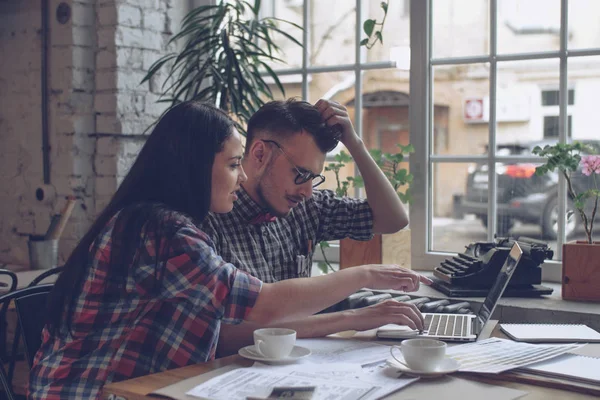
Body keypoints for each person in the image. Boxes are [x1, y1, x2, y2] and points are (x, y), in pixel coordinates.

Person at [28, 101, 429, 399]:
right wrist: (365, 276)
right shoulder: (164, 231)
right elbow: (261, 307)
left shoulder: (164, 222)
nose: (239, 180)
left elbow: (392, 218)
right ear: (195, 165)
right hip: (97, 392)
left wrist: (354, 142)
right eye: (233, 165)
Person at [200, 98, 427, 357]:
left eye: (313, 178)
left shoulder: (308, 208)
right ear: (259, 154)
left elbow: (393, 219)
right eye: (301, 174)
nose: (307, 191)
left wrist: (354, 142)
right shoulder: (206, 220)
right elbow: (223, 336)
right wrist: (353, 316)